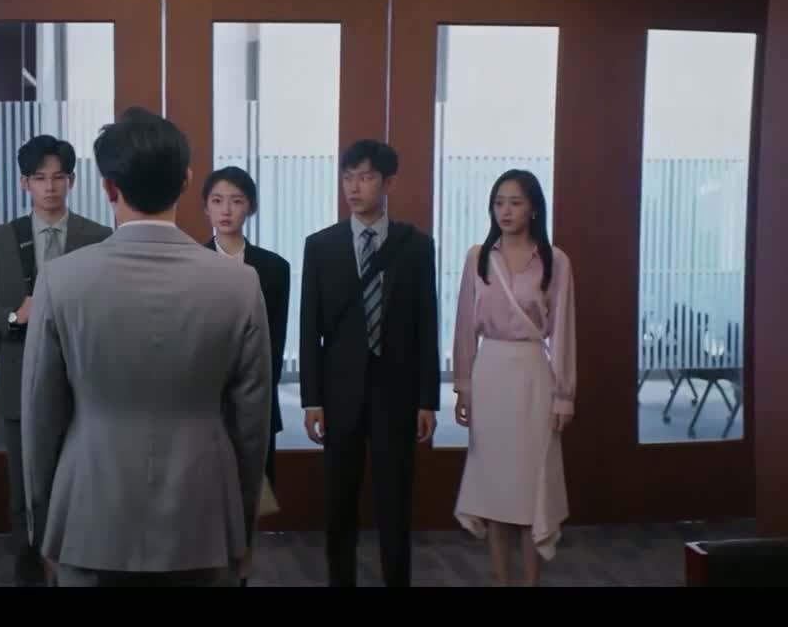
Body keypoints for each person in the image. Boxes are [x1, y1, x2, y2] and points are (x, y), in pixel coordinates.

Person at [21, 107, 273, 587]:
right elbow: (252, 425)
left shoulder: (61, 280)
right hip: (204, 517)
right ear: (186, 181)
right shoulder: (239, 284)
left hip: (88, 515)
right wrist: (242, 530)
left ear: (107, 187)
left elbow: (40, 416)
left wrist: (46, 526)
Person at [0, 134, 112, 585]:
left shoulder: (98, 237)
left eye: (59, 177)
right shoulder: (0, 238)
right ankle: (29, 576)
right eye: (40, 178)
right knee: (25, 495)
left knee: (83, 491)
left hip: (85, 385)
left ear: (72, 181)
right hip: (18, 383)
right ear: (24, 182)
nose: (50, 187)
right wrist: (14, 316)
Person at [299, 139, 439, 588]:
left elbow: (427, 325)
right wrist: (312, 399)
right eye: (348, 177)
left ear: (388, 183)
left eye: (365, 177)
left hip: (396, 394)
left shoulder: (416, 246)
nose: (354, 187)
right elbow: (309, 329)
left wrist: (427, 399)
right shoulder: (321, 246)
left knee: (395, 504)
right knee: (339, 503)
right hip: (340, 393)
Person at [451, 169, 574, 587]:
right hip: (490, 375)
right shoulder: (478, 257)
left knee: (530, 488)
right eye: (499, 202)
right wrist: (463, 386)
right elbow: (464, 327)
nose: (505, 210)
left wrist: (564, 395)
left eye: (516, 202)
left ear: (534, 208)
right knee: (495, 490)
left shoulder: (555, 261)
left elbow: (563, 332)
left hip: (533, 375)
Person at [201, 166, 290, 485]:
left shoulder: (275, 268)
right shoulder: (191, 264)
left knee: (256, 495)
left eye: (236, 201)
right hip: (202, 400)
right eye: (217, 200)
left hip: (258, 399)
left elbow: (275, 342)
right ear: (206, 207)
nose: (226, 210)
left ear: (251, 207)